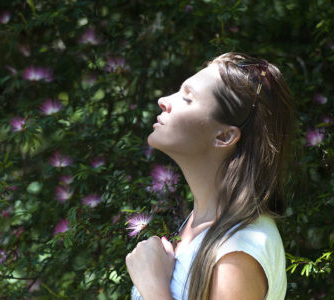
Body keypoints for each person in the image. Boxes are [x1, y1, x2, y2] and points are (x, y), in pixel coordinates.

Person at [126, 52, 294, 300]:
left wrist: (152, 286)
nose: (163, 100)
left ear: (224, 137)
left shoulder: (238, 251)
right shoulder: (200, 225)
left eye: (187, 98)